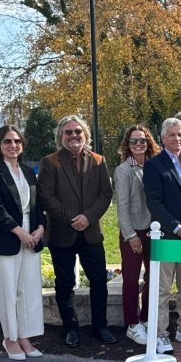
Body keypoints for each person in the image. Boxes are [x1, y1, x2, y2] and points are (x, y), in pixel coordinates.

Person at [38, 115, 116, 347]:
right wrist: (72, 217)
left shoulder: (99, 160)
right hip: (62, 232)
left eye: (78, 132)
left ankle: (100, 326)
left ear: (86, 135)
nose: (74, 136)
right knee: (65, 282)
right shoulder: (50, 162)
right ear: (61, 136)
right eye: (68, 132)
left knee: (99, 281)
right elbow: (46, 197)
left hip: (91, 232)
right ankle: (70, 328)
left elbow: (106, 194)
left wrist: (88, 217)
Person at [0, 126, 46, 361]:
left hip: (32, 236)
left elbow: (38, 205)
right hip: (6, 237)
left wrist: (40, 228)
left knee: (27, 290)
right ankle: (10, 338)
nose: (13, 145)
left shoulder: (29, 171)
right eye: (7, 142)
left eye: (17, 141)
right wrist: (21, 233)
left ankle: (25, 337)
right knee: (8, 291)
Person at [143, 117, 181, 355]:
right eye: (172, 135)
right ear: (162, 138)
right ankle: (160, 334)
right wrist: (177, 227)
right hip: (168, 236)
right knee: (163, 289)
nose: (178, 138)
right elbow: (154, 202)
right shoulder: (154, 165)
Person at [113, 125, 160, 346]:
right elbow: (121, 206)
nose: (138, 144)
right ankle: (132, 323)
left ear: (148, 142)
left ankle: (146, 318)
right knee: (131, 279)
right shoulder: (123, 170)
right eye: (134, 141)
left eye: (142, 140)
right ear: (127, 145)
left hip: (155, 230)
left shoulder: (155, 166)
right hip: (133, 231)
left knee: (153, 277)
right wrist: (131, 235)